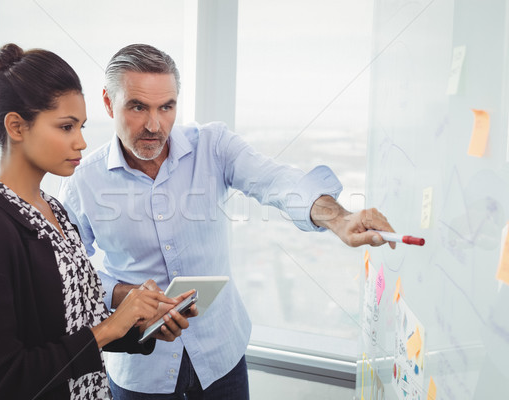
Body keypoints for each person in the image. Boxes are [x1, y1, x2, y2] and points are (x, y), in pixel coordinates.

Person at [59, 43, 396, 399]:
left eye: (166, 107)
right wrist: (125, 294)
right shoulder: (84, 181)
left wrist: (340, 219)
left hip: (221, 357)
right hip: (142, 374)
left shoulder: (212, 146)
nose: (154, 125)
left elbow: (276, 180)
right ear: (109, 103)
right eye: (138, 107)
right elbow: (66, 275)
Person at [0, 43, 196, 400]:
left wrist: (140, 327)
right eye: (66, 127)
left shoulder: (55, 210)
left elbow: (71, 332)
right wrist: (110, 327)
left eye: (81, 126)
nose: (81, 142)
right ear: (17, 127)